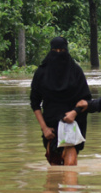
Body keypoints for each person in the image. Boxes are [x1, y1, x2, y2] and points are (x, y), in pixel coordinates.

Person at [30, 37, 92, 166]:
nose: (59, 54)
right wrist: (44, 128)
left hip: (73, 124)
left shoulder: (76, 71)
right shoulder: (41, 73)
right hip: (51, 128)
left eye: (62, 50)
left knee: (70, 168)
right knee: (54, 170)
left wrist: (74, 113)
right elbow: (35, 103)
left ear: (67, 51)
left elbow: (86, 99)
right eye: (55, 50)